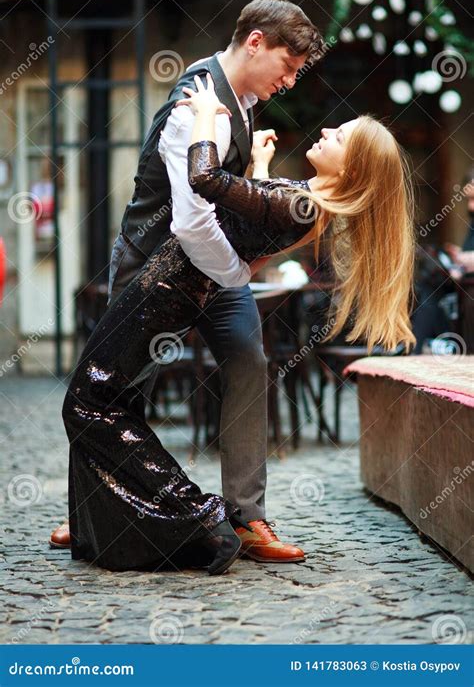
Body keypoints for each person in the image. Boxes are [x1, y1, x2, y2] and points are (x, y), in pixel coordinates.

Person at [61, 73, 416, 574]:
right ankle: (109, 523)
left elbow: (207, 181)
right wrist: (262, 165)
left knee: (89, 401)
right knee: (101, 400)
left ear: (353, 165)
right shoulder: (307, 200)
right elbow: (255, 210)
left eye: (342, 136)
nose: (329, 131)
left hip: (162, 293)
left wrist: (205, 118)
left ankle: (195, 516)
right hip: (170, 290)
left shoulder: (301, 203)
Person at [51, 0, 324, 563]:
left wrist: (257, 175)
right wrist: (240, 272)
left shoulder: (245, 101)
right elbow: (191, 218)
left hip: (211, 264)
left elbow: (226, 194)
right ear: (255, 42)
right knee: (117, 389)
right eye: (289, 67)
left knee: (250, 363)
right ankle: (93, 517)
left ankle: (247, 518)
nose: (291, 81)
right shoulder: (191, 106)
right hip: (157, 267)